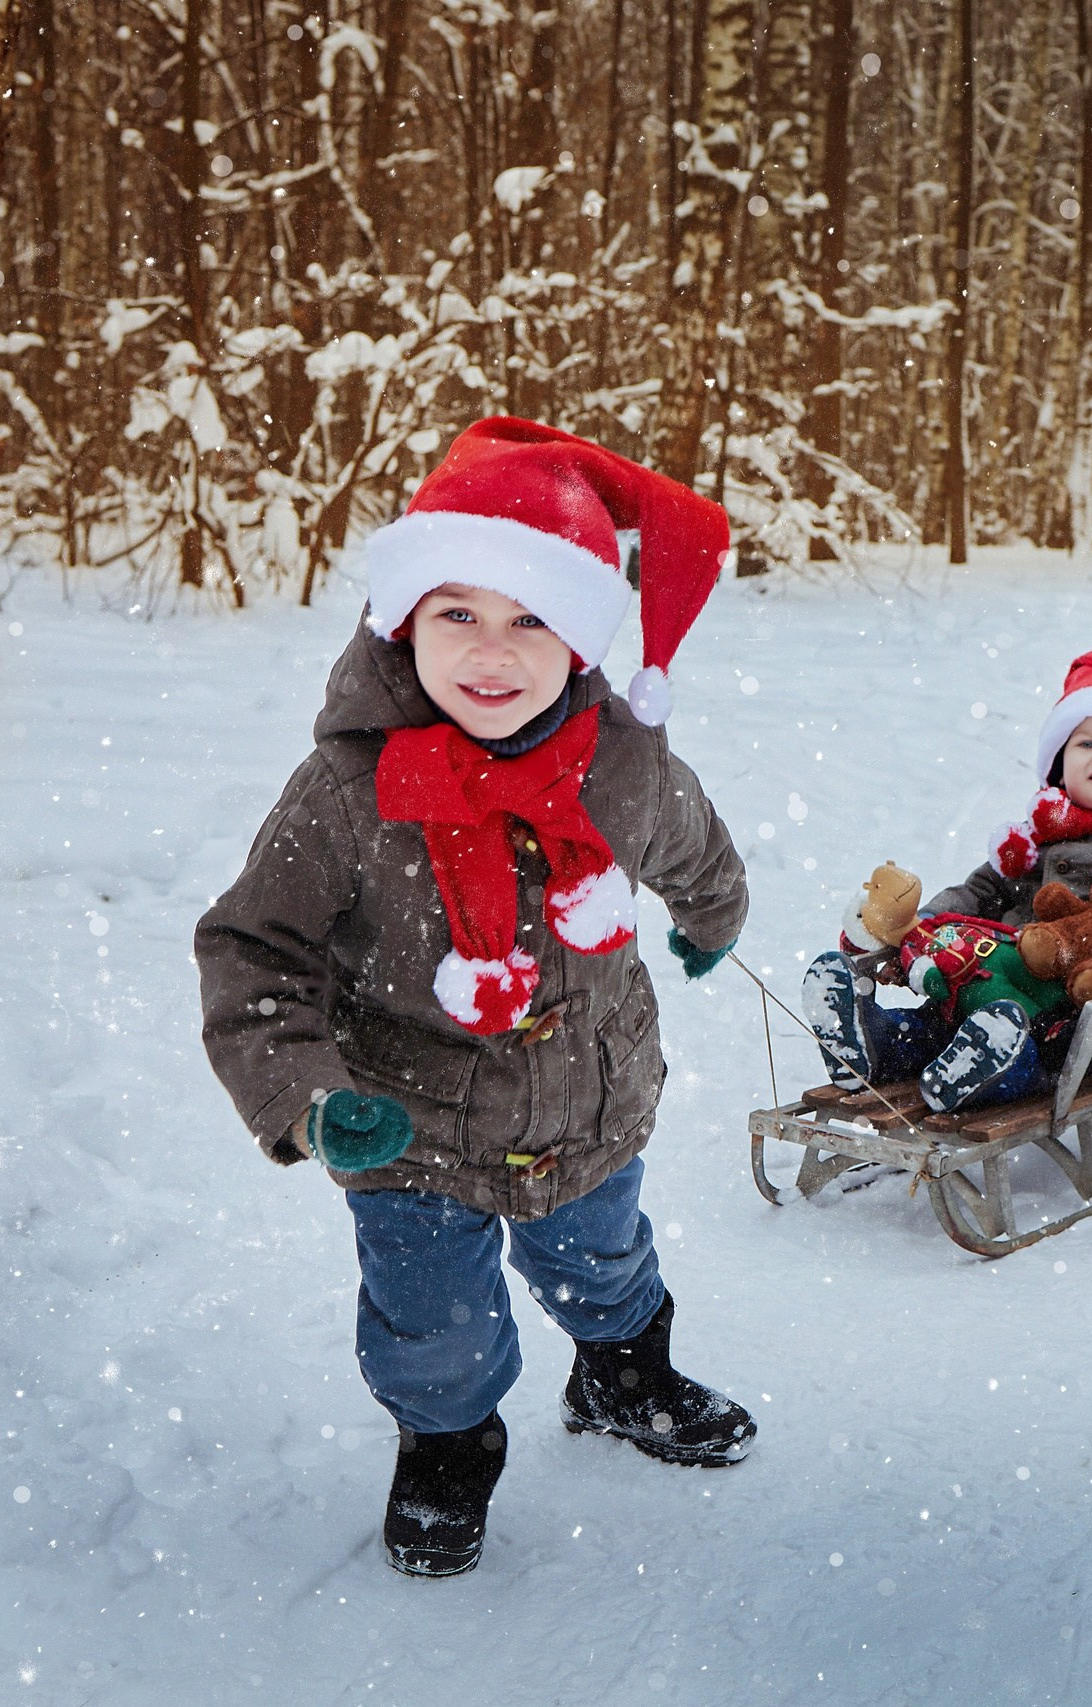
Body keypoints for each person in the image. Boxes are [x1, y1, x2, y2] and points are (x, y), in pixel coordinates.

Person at [194, 418, 753, 1580]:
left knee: (605, 1263)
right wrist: (308, 1095)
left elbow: (694, 848)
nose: (491, 653)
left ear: (582, 634)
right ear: (404, 618)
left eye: (530, 619)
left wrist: (713, 923)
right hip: (407, 1126)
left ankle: (623, 1375)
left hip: (588, 1104)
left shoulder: (625, 763)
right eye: (460, 614)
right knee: (431, 1326)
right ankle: (448, 1449)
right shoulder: (348, 792)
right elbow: (254, 953)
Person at [802, 636, 1092, 1111]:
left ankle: (994, 1068)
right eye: (1086, 743)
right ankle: (871, 1042)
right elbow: (980, 889)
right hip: (995, 975)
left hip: (1087, 1006)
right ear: (1059, 764)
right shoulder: (1036, 839)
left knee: (1033, 1044)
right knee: (942, 1019)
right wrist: (928, 922)